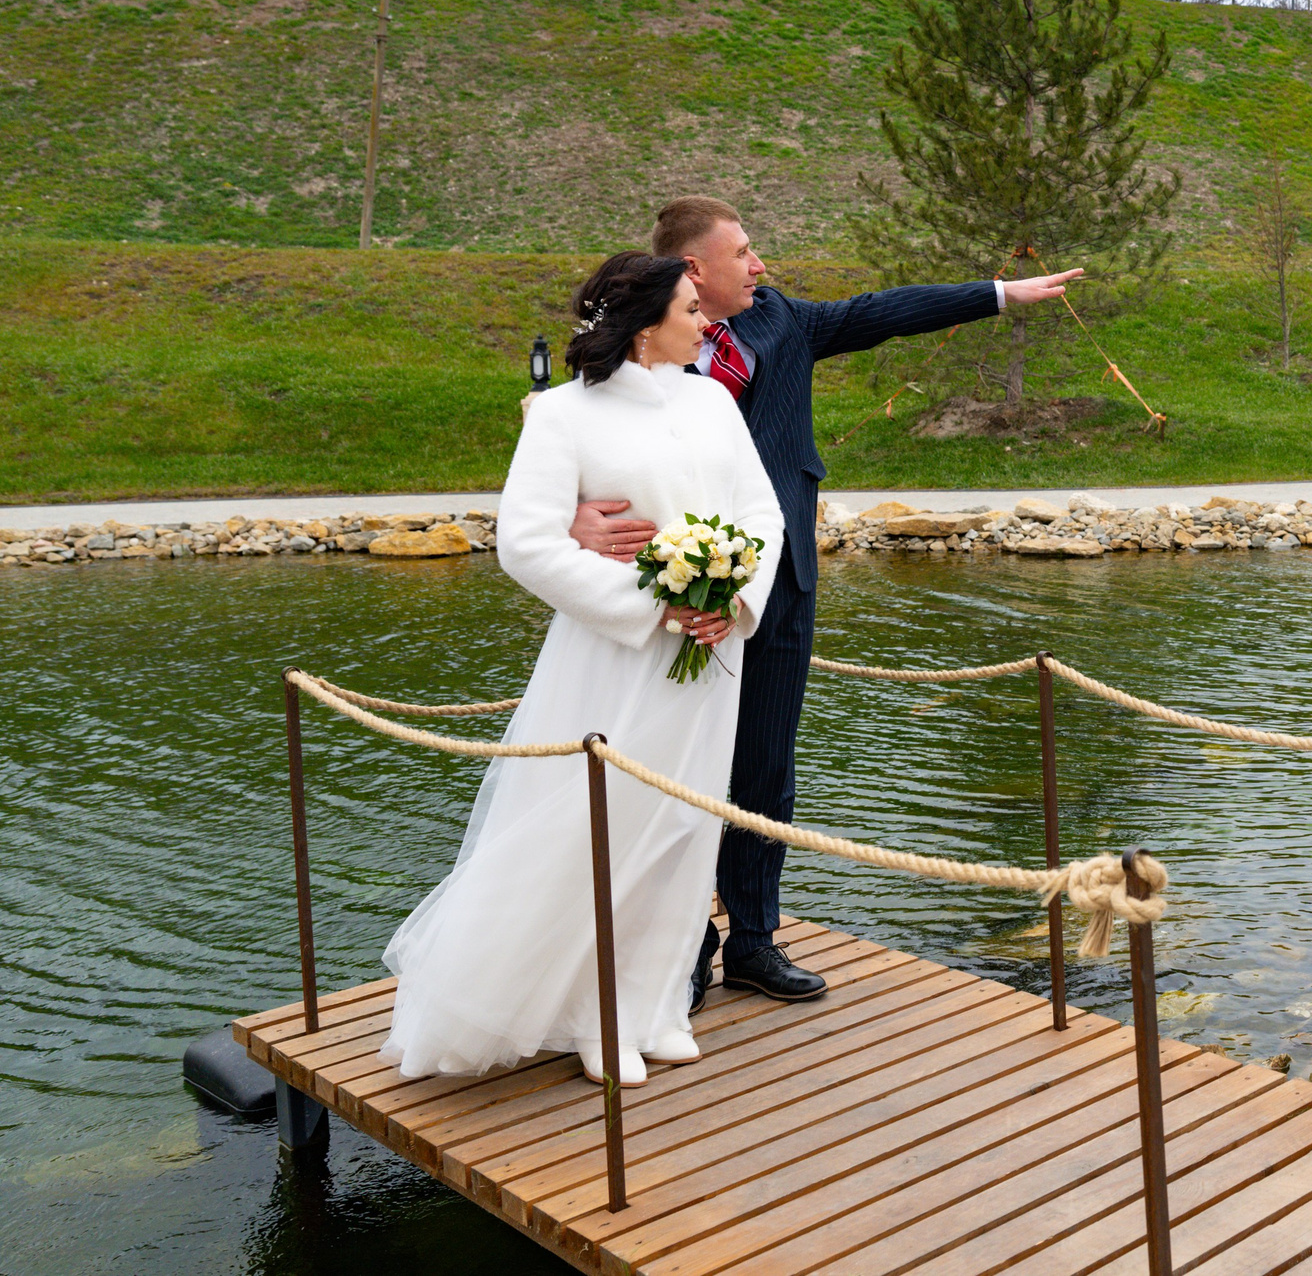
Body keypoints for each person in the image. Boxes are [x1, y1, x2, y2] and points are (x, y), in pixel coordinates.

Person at [569, 196, 1081, 1006]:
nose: (760, 263)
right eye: (743, 252)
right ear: (694, 269)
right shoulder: (643, 343)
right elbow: (576, 444)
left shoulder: (782, 322)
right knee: (673, 768)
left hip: (781, 583)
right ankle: (681, 946)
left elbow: (883, 312)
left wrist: (998, 294)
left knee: (765, 767)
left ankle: (753, 941)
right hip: (670, 596)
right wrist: (576, 514)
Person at [379, 252, 784, 1084]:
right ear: (645, 326)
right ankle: (591, 1016)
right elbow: (523, 543)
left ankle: (656, 1003)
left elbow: (761, 512)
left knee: (681, 830)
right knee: (604, 831)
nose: (705, 321)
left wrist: (730, 597)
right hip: (611, 660)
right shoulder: (563, 417)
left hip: (711, 658)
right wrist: (653, 604)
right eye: (688, 309)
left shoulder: (713, 398)